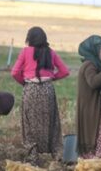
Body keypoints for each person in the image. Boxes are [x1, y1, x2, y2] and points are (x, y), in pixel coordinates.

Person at [11, 26, 70, 163]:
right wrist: (51, 78)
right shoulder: (51, 52)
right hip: (47, 90)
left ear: (29, 39)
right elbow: (64, 71)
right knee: (52, 121)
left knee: (29, 123)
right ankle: (57, 155)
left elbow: (14, 72)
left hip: (30, 90)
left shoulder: (25, 52)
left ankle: (33, 156)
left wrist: (24, 83)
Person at [75, 34, 101, 161]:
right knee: (99, 137)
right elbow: (93, 82)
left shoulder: (94, 65)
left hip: (96, 108)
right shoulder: (89, 66)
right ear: (94, 49)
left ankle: (100, 169)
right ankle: (96, 167)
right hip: (92, 110)